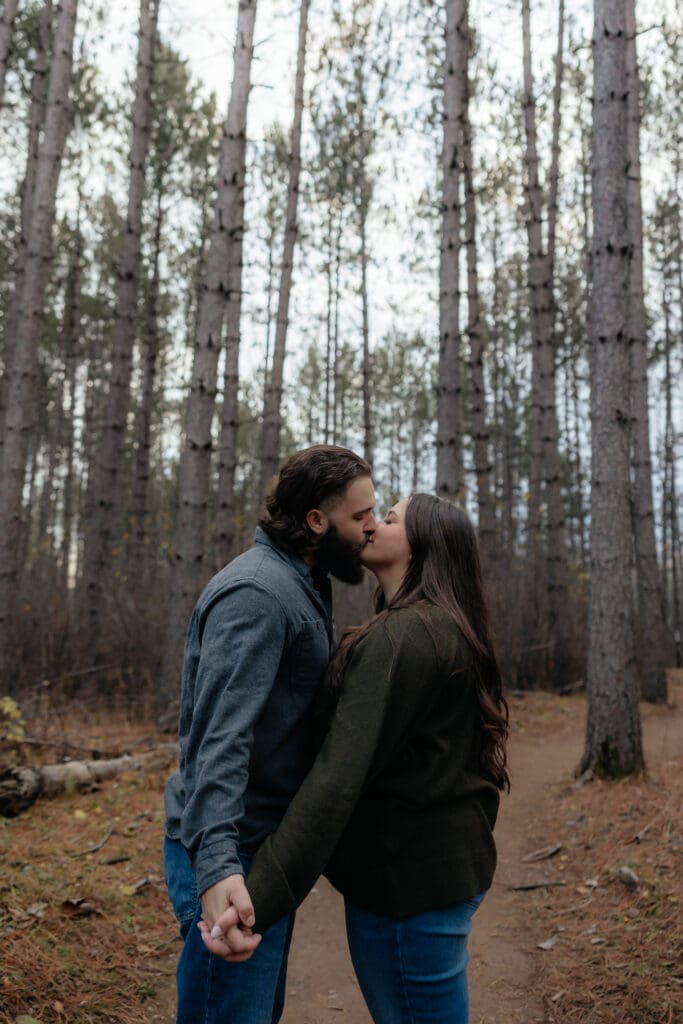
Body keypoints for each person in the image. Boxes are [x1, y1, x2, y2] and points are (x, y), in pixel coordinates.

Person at [203, 493, 510, 1024]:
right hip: (434, 878)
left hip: (408, 891)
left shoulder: (406, 637)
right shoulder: (434, 626)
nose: (372, 526)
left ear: (423, 546)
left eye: (389, 518)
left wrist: (257, 902)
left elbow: (335, 781)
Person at [163, 444, 376, 1024]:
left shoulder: (303, 581)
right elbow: (219, 742)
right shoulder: (259, 593)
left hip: (260, 853)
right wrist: (218, 869)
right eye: (360, 516)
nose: (372, 527)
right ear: (316, 521)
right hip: (232, 855)